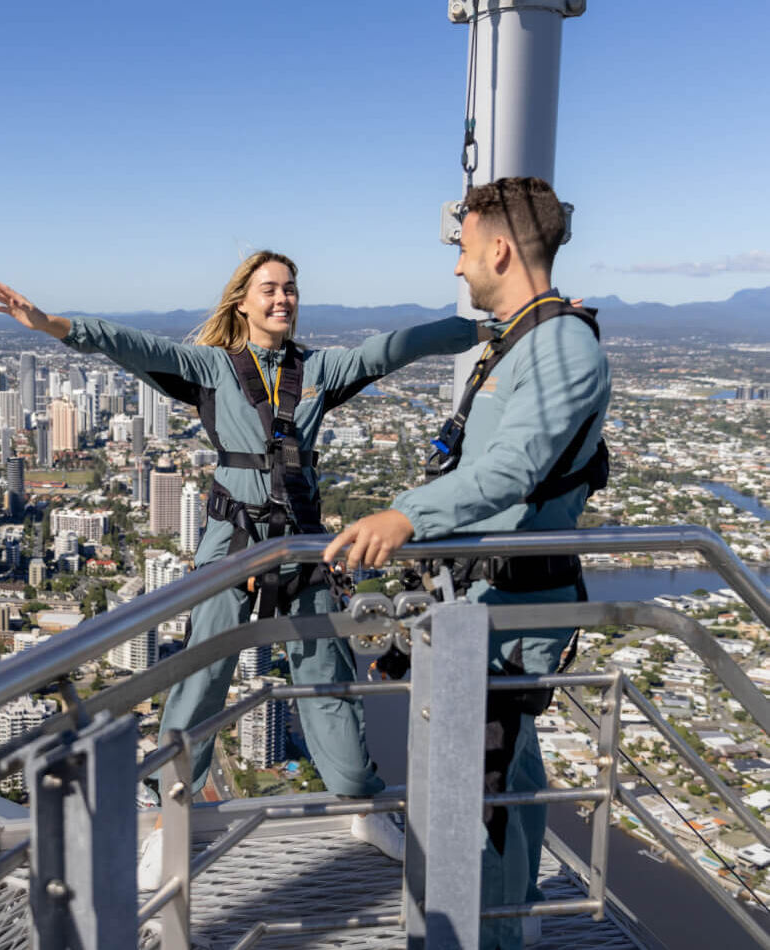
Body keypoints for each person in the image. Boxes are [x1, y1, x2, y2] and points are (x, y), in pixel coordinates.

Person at [0, 252, 487, 882]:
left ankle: (361, 800)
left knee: (325, 672)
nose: (282, 298)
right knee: (204, 670)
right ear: (242, 302)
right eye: (268, 289)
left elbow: (394, 348)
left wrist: (494, 329)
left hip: (300, 540)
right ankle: (171, 818)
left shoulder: (319, 370)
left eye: (290, 289)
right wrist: (49, 322)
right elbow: (129, 344)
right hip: (230, 539)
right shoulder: (212, 367)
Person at [323, 177, 611, 950]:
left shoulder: (561, 347)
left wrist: (407, 515)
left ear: (500, 248)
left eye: (461, 249)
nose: (457, 268)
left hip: (513, 614)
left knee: (481, 801)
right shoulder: (523, 340)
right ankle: (510, 933)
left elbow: (512, 470)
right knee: (510, 784)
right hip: (486, 609)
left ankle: (493, 938)